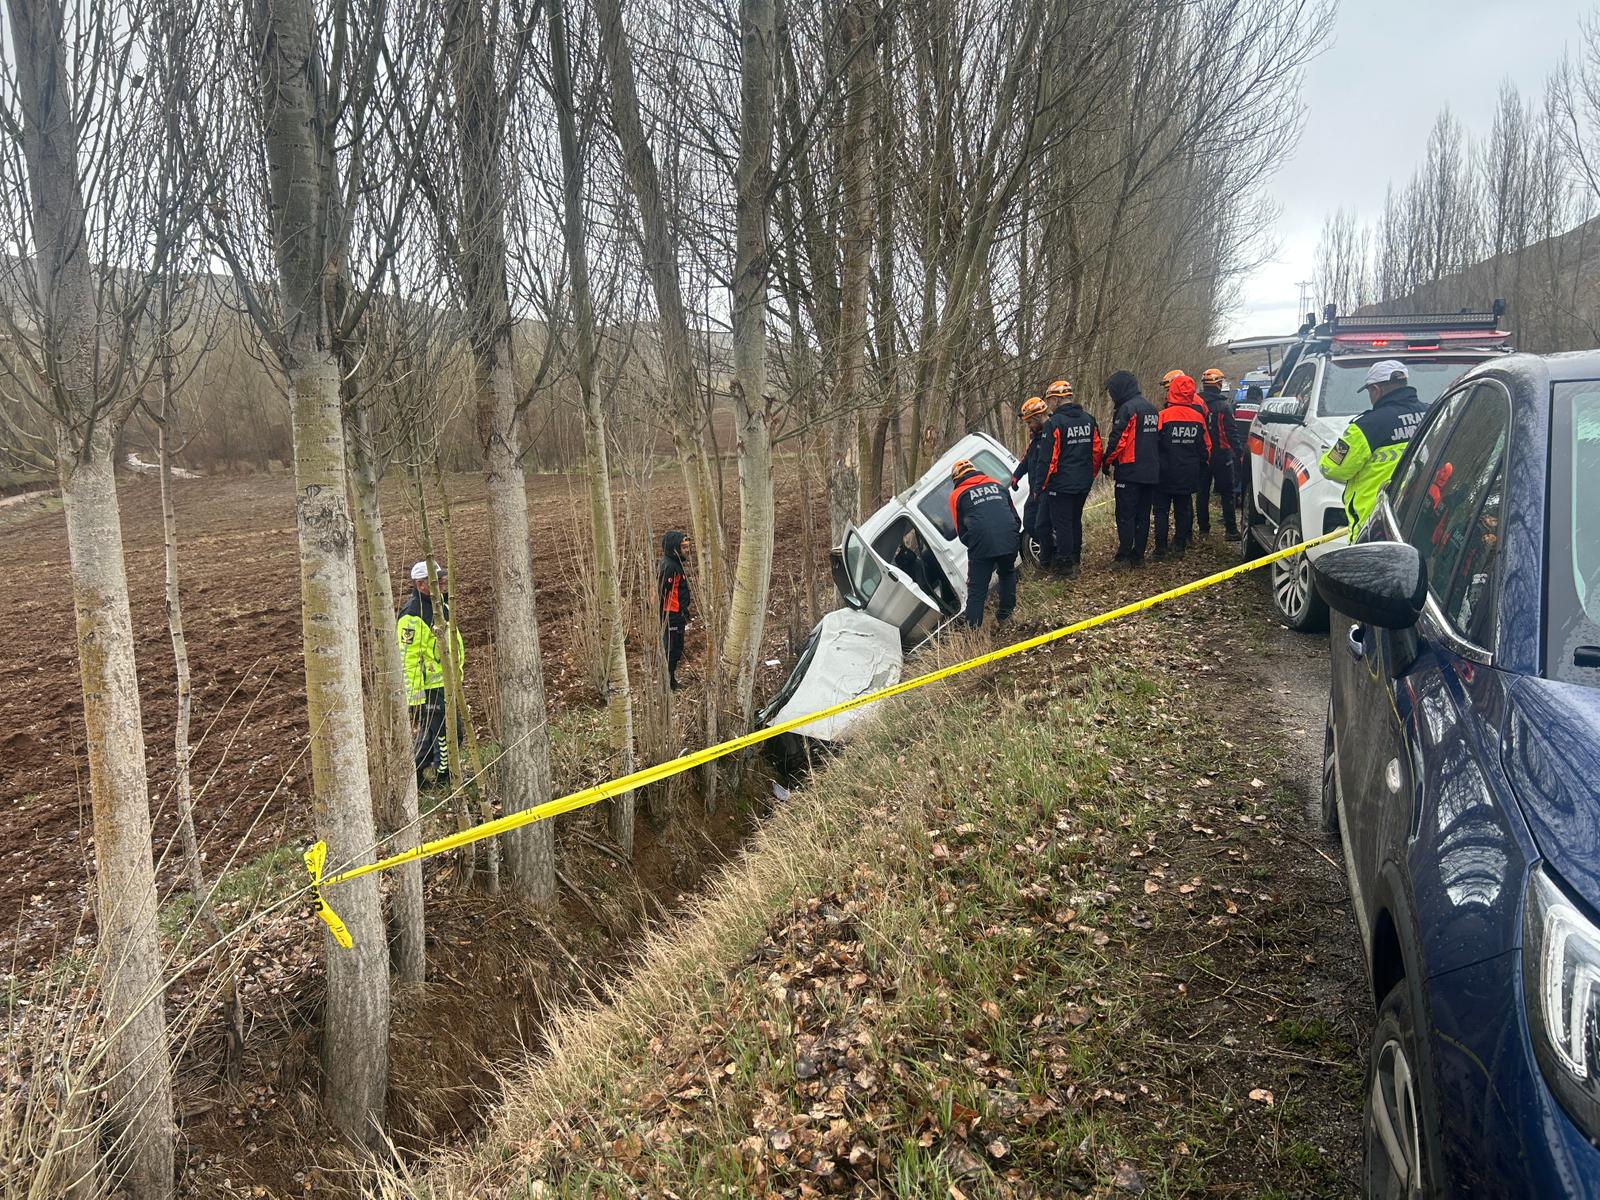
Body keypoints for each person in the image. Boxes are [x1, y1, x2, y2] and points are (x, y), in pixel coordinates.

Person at [1320, 360, 1429, 539]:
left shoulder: (1366, 426)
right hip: (1418, 515)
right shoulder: (1430, 412)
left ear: (1376, 389)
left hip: (1376, 522)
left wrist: (1326, 455)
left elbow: (1333, 469)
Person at [398, 561, 465, 786]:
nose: (442, 583)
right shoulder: (412, 615)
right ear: (420, 585)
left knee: (434, 736)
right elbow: (408, 658)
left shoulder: (441, 604)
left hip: (446, 682)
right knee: (446, 735)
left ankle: (416, 776)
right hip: (430, 689)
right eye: (436, 580)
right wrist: (415, 697)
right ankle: (444, 778)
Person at [1037, 381, 1102, 576]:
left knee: (1063, 524)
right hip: (1083, 481)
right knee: (1075, 520)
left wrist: (1042, 484)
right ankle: (1075, 558)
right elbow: (1097, 452)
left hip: (1061, 484)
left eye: (1050, 401)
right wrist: (1090, 475)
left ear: (1057, 399)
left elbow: (1048, 459)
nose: (1049, 406)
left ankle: (1065, 566)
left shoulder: (1054, 424)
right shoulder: (1089, 419)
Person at [949, 458, 1021, 627]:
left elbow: (961, 531)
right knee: (1007, 573)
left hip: (981, 544)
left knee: (977, 591)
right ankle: (1005, 617)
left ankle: (972, 634)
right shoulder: (997, 485)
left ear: (956, 478)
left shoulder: (956, 495)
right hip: (1009, 538)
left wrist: (976, 543)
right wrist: (1011, 535)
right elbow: (1015, 517)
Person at [1101, 371, 1161, 567]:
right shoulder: (1152, 408)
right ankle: (1139, 556)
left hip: (1130, 471)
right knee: (1143, 515)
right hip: (1151, 471)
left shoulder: (1127, 409)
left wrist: (1107, 461)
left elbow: (1118, 440)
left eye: (1111, 391)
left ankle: (1124, 556)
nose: (1111, 396)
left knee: (1125, 514)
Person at [1152, 374, 1211, 559]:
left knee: (1161, 511)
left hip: (1164, 472)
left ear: (1172, 391)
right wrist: (1201, 467)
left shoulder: (1162, 416)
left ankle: (1160, 549)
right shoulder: (1198, 417)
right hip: (1188, 472)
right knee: (1183, 508)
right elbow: (1206, 447)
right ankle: (1179, 545)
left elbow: (1154, 444)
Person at [1010, 396, 1054, 569]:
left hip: (1046, 487)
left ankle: (1051, 555)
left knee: (1043, 523)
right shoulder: (1036, 437)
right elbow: (1028, 458)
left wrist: (1041, 486)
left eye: (1030, 422)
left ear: (1037, 417)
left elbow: (1049, 462)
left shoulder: (1051, 431)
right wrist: (1017, 475)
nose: (1029, 426)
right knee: (1030, 522)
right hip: (1036, 488)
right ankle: (1049, 550)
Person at [1196, 368, 1240, 540]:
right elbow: (1231, 433)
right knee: (1227, 493)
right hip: (1221, 454)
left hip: (1202, 455)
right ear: (1218, 384)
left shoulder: (1196, 404)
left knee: (1202, 493)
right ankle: (1230, 530)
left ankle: (1203, 529)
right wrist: (1238, 453)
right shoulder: (1224, 406)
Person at [658, 531, 693, 690]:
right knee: (671, 650)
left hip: (677, 615)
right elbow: (660, 591)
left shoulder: (675, 564)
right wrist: (662, 616)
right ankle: (668, 684)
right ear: (674, 549)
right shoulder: (670, 567)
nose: (687, 550)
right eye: (684, 547)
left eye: (687, 546)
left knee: (677, 649)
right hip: (671, 616)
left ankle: (670, 680)